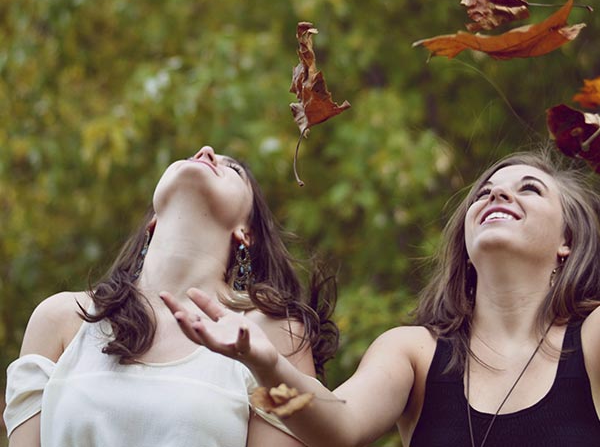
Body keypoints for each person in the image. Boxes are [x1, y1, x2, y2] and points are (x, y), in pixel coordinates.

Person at [162, 149, 600, 447]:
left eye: (529, 189)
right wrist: (265, 364)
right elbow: (336, 427)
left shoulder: (593, 338)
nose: (497, 194)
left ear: (567, 239)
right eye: (483, 192)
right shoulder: (412, 352)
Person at [4, 145, 338, 447]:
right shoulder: (60, 320)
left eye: (233, 169)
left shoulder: (271, 336)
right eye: (194, 154)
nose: (206, 151)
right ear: (152, 220)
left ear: (246, 232)